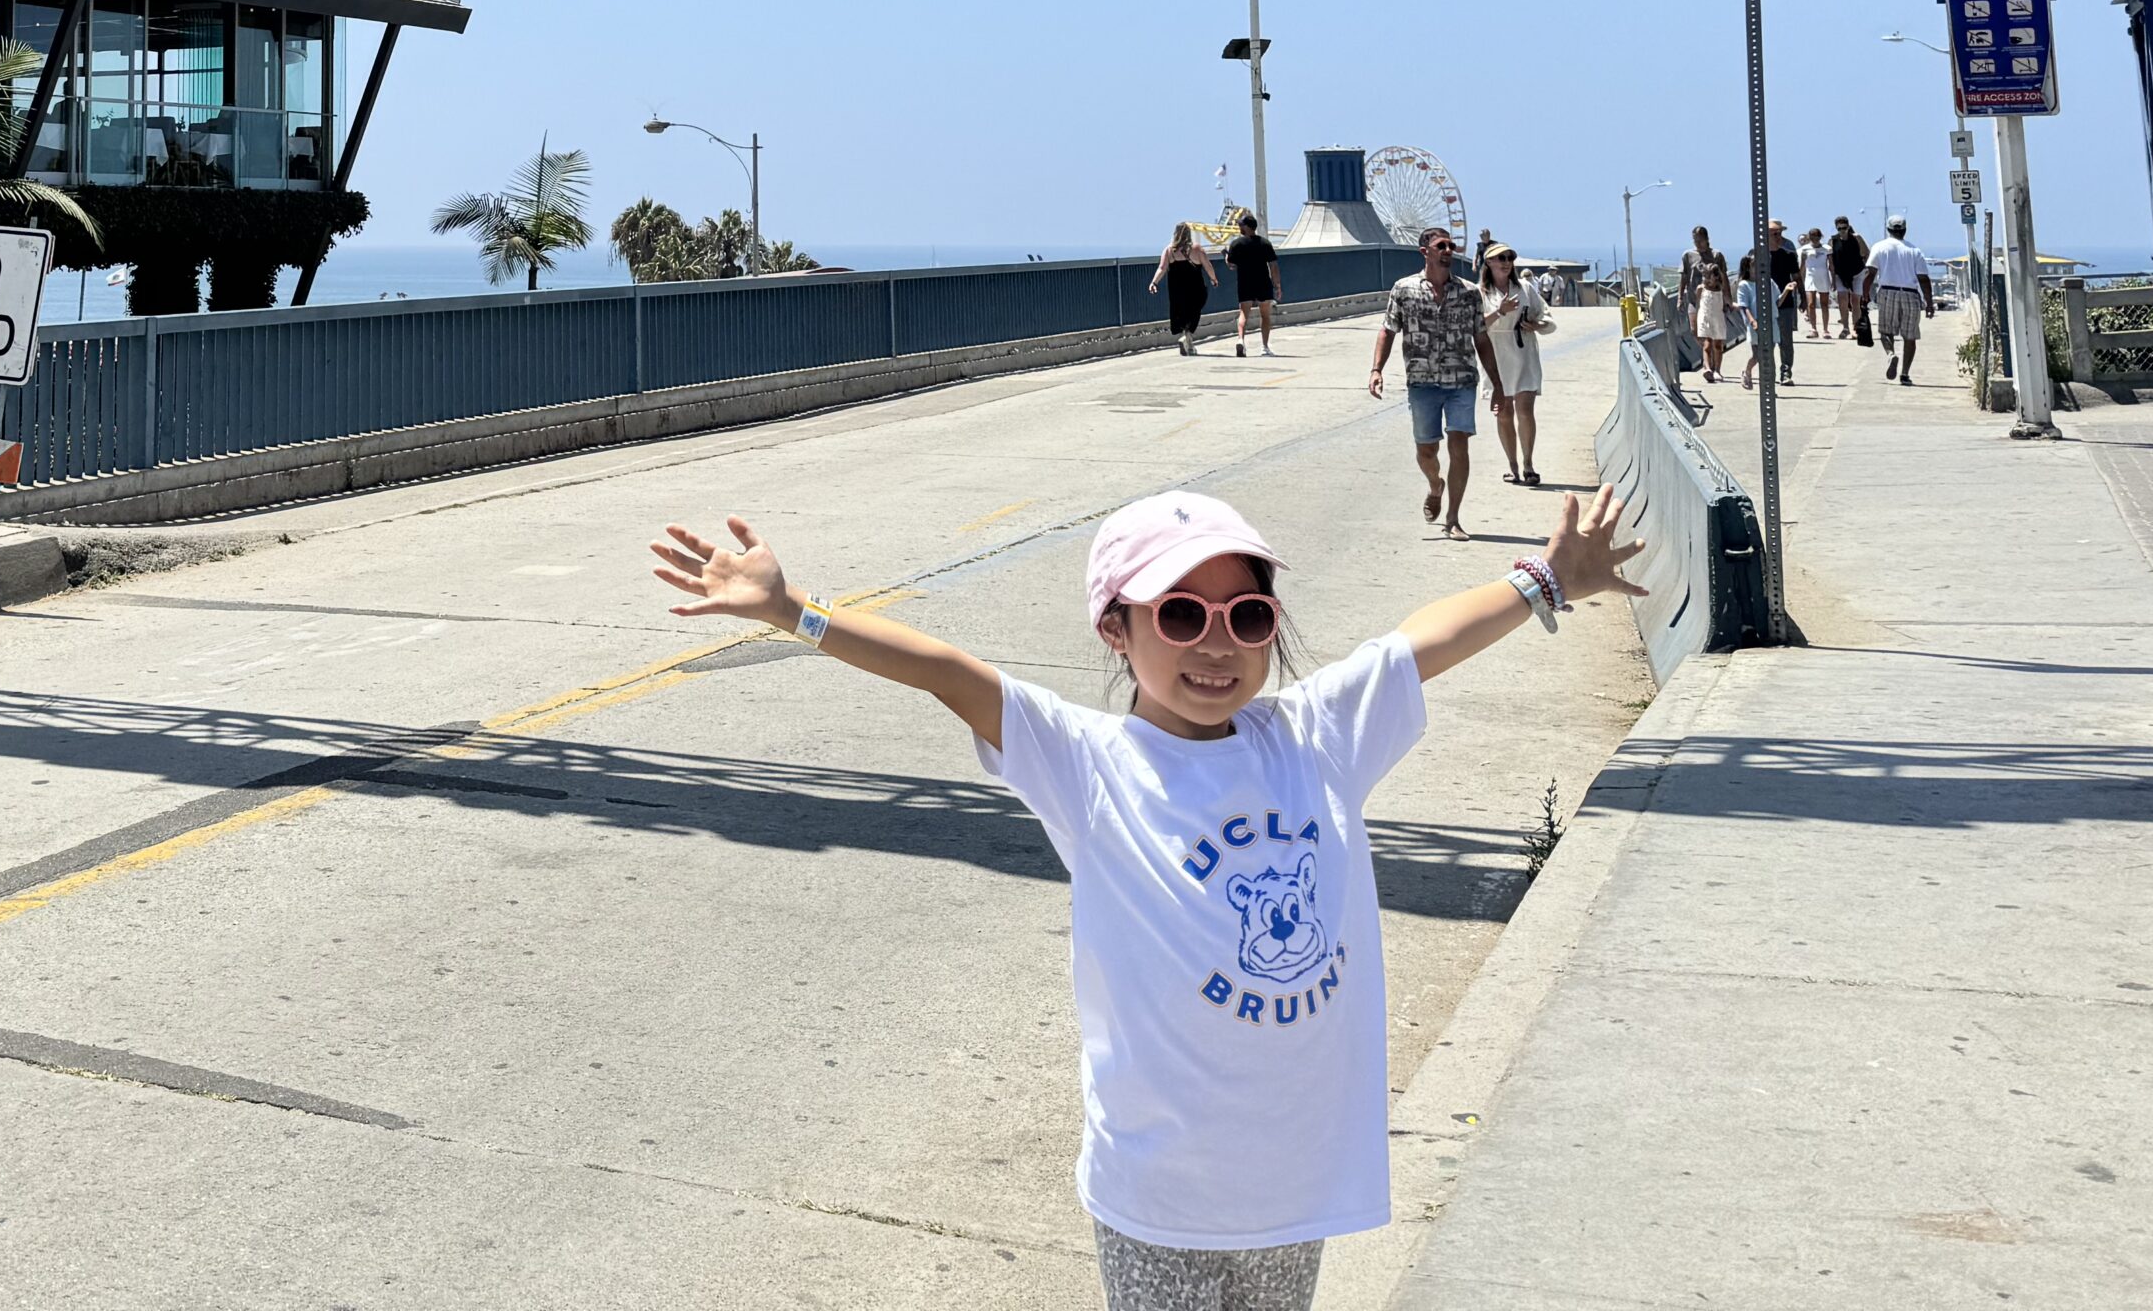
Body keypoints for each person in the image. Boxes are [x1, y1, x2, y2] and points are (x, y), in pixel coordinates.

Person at [645, 480, 1646, 1308]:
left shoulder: (1314, 736)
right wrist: (791, 612)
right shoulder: (1087, 761)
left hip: (1294, 1184)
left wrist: (1544, 577)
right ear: (1117, 630)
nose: (1217, 644)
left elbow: (1422, 642)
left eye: (1246, 615)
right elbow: (947, 672)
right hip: (1161, 1191)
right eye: (1178, 614)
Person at [1368, 228, 1487, 537]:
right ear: (1425, 252)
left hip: (1462, 380)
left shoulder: (1470, 293)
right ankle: (1436, 485)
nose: (1448, 250)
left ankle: (1453, 519)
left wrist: (1498, 384)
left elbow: (1482, 337)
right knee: (1426, 452)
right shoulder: (1404, 289)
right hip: (1421, 382)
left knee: (1459, 445)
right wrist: (1376, 369)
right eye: (1441, 246)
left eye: (1451, 245)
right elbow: (1388, 330)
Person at [1480, 242, 1551, 484]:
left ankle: (1528, 464)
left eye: (1510, 257)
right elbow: (1476, 326)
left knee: (1525, 410)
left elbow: (1546, 316)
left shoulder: (1526, 288)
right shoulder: (1480, 292)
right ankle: (1512, 466)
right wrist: (1500, 312)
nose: (1507, 262)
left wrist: (1537, 325)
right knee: (1504, 413)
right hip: (1496, 355)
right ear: (1488, 262)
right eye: (1501, 257)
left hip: (1524, 351)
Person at [1870, 216, 1938, 383]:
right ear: (1905, 230)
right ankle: (1905, 374)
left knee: (1886, 331)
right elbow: (1923, 278)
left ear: (1888, 230)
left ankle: (1891, 354)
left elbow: (1870, 272)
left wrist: (1865, 294)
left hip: (1887, 292)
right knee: (1910, 335)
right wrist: (1929, 302)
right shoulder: (1914, 250)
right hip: (1910, 294)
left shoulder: (1879, 247)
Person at [1226, 210, 1283, 354]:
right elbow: (1273, 265)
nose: (1239, 227)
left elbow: (1232, 265)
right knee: (1265, 315)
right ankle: (1264, 347)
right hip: (1263, 282)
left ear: (1247, 227)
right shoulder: (1265, 243)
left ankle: (1241, 340)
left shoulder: (1236, 244)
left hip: (1245, 282)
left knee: (1244, 313)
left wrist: (1226, 258)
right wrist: (1277, 285)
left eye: (1241, 225)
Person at [1757, 219, 1804, 384]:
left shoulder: (1788, 255)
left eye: (1780, 233)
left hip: (1785, 305)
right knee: (1767, 342)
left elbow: (1797, 277)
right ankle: (1769, 374)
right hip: (1764, 305)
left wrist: (1803, 298)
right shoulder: (1757, 256)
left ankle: (1786, 372)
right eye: (1775, 234)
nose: (1779, 237)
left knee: (1786, 341)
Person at [1160, 224, 1218, 357]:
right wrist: (1214, 279)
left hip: (1177, 288)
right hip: (1195, 287)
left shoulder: (1169, 251)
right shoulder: (1196, 249)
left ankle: (1187, 339)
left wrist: (1154, 282)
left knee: (1181, 312)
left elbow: (1162, 268)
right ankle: (1187, 337)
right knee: (1194, 310)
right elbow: (1207, 265)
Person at [1689, 256, 1736, 382]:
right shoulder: (1701, 289)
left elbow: (1727, 302)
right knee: (1707, 344)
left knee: (1718, 345)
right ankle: (1707, 368)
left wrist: (1733, 306)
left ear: (1716, 277)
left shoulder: (1721, 290)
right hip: (1705, 317)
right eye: (1704, 276)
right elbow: (1699, 303)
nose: (1705, 279)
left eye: (1707, 276)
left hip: (1718, 318)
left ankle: (1717, 370)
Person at [1829, 217, 1872, 351]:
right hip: (1841, 274)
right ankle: (1845, 327)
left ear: (1848, 227)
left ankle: (1855, 327)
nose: (1842, 231)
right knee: (1842, 299)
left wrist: (1867, 270)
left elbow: (1866, 252)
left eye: (1844, 228)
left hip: (1857, 272)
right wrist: (1832, 278)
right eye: (1839, 228)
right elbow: (1830, 260)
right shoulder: (1832, 240)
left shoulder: (1856, 238)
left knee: (1855, 300)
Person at [1800, 220, 1835, 341]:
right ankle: (1813, 328)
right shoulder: (1805, 249)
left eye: (1817, 235)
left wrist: (1833, 280)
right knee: (1811, 304)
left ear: (1820, 236)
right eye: (1812, 235)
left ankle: (1825, 329)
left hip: (1823, 277)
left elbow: (1831, 265)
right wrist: (1799, 280)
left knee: (1824, 304)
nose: (1815, 238)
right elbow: (1802, 266)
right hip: (1810, 277)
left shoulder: (1827, 249)